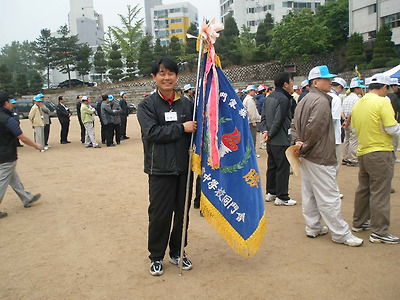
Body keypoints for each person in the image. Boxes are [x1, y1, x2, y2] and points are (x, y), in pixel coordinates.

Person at [291, 65, 363, 247]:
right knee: (328, 195)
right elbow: (315, 129)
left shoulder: (304, 99)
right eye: (327, 79)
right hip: (318, 154)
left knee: (310, 193)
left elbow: (294, 125)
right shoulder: (322, 101)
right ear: (315, 82)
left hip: (307, 154)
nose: (330, 82)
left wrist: (298, 144)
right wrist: (305, 146)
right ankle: (340, 233)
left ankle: (313, 226)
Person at [137, 57, 197, 276]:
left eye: (171, 73)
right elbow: (152, 133)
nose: (167, 77)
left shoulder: (187, 104)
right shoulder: (147, 105)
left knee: (182, 214)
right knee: (160, 214)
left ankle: (177, 251)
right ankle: (156, 256)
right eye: (162, 74)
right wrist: (181, 128)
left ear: (177, 77)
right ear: (154, 77)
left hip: (184, 168)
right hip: (160, 169)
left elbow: (197, 132)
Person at [351, 73, 400, 244]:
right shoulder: (382, 102)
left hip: (363, 150)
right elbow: (392, 129)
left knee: (364, 188)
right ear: (384, 87)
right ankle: (379, 231)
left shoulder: (359, 104)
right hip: (380, 151)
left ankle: (359, 221)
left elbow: (354, 127)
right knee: (380, 190)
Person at [0, 92, 42, 219]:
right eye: (10, 101)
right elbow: (21, 136)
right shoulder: (7, 119)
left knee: (14, 179)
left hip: (4, 154)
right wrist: (36, 145)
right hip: (6, 155)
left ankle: (26, 198)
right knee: (2, 182)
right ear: (6, 103)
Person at [260, 72, 296, 206]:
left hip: (271, 139)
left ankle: (271, 191)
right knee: (283, 168)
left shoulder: (269, 97)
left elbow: (263, 117)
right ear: (285, 84)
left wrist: (265, 131)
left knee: (272, 166)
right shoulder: (284, 99)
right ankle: (282, 196)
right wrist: (270, 133)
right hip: (280, 139)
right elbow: (279, 119)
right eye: (291, 82)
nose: (292, 85)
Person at [342, 78, 364, 166]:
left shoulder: (346, 98)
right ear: (356, 88)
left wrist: (345, 120)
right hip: (353, 121)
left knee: (347, 139)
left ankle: (345, 157)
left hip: (346, 119)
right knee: (354, 140)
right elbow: (353, 111)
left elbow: (342, 110)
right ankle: (353, 159)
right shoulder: (357, 99)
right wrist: (348, 121)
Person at [328, 77, 347, 176]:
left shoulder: (323, 95)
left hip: (323, 138)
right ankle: (332, 189)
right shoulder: (335, 98)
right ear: (339, 87)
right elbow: (333, 119)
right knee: (334, 165)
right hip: (333, 137)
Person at [243, 84, 261, 154]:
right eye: (253, 91)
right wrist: (253, 121)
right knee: (252, 138)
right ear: (250, 91)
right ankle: (252, 153)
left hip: (249, 121)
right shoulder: (249, 100)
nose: (254, 92)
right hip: (250, 122)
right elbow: (251, 112)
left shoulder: (247, 99)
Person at [387, 78, 400, 162]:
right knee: (394, 139)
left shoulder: (387, 95)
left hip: (391, 119)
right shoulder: (393, 96)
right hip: (393, 119)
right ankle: (393, 156)